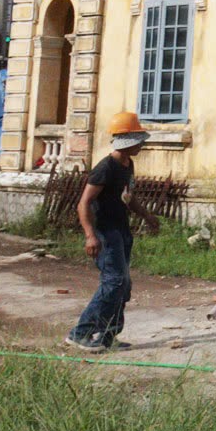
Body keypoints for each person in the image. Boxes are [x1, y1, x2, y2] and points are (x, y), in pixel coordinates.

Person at [65, 111, 160, 352]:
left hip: (121, 231)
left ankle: (108, 337)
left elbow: (128, 198)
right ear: (128, 140)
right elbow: (84, 203)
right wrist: (90, 235)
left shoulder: (127, 165)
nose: (142, 144)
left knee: (122, 285)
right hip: (105, 233)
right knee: (114, 282)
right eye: (139, 139)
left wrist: (147, 217)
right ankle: (80, 333)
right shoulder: (105, 168)